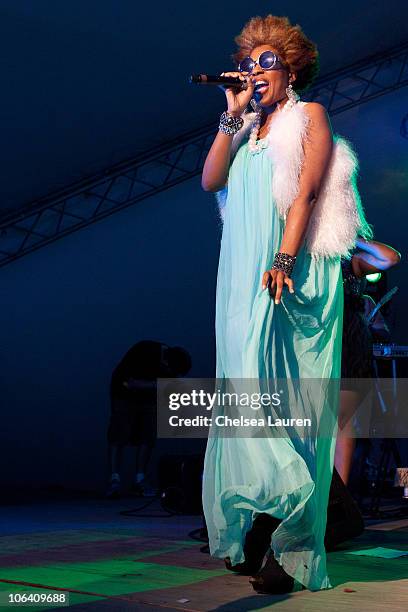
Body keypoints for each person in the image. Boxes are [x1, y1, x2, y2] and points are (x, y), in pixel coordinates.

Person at [201, 15, 372, 594]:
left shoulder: (310, 116)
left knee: (284, 398)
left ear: (292, 68)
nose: (256, 71)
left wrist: (281, 260)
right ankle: (264, 527)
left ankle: (294, 532)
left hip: (290, 273)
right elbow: (209, 179)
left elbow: (306, 192)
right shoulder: (246, 128)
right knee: (247, 393)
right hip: (241, 275)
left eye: (267, 62)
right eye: (251, 63)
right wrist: (231, 112)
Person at [335, 238, 401, 485]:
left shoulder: (350, 263)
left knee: (345, 423)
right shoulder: (305, 260)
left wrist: (352, 236)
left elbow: (390, 257)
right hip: (315, 340)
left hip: (349, 346)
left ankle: (340, 496)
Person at [107, 340, 192, 498]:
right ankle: (114, 479)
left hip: (148, 398)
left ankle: (140, 479)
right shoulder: (143, 351)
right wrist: (156, 385)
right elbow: (129, 383)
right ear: (166, 362)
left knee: (148, 433)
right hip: (122, 393)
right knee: (119, 433)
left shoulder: (171, 368)